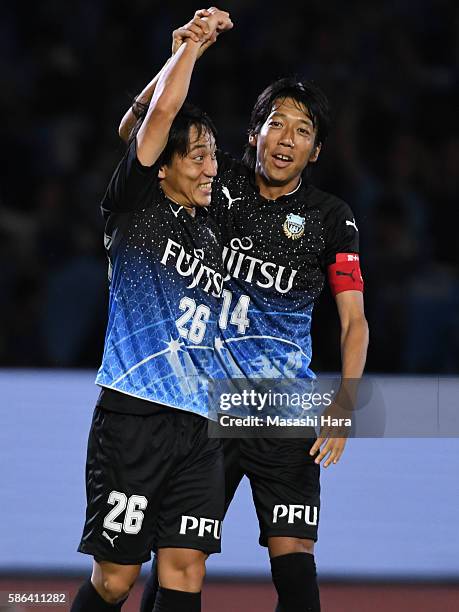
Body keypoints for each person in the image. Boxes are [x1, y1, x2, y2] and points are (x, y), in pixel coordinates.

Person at [121, 9, 368, 612]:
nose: (286, 139)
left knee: (294, 569)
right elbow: (136, 131)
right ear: (253, 133)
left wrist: (343, 405)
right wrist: (183, 54)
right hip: (204, 407)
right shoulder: (213, 180)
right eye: (275, 124)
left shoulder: (332, 219)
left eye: (302, 130)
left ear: (316, 151)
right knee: (178, 560)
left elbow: (354, 320)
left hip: (283, 411)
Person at [71, 10, 233, 612]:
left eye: (214, 156)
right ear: (161, 166)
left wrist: (175, 61)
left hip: (199, 425)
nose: (211, 168)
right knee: (115, 581)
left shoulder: (213, 221)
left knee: (185, 570)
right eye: (196, 158)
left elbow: (142, 120)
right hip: (134, 414)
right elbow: (146, 122)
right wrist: (189, 49)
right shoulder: (133, 208)